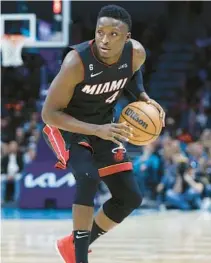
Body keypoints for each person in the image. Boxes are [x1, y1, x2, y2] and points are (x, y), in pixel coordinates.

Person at [41, 5, 165, 263]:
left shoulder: (136, 54)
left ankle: (72, 244)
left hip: (103, 125)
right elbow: (49, 114)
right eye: (100, 32)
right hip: (66, 126)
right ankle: (79, 257)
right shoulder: (76, 63)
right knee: (88, 177)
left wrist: (144, 98)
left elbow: (130, 75)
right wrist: (97, 129)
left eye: (113, 34)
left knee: (130, 197)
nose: (105, 40)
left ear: (126, 38)